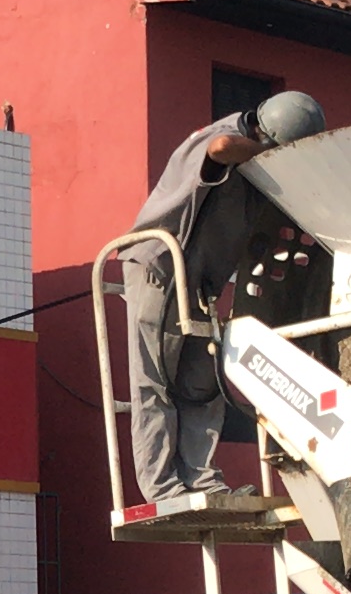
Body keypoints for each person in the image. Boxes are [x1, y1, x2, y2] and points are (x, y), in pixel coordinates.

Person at [123, 90, 327, 501]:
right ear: (266, 136)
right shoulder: (223, 138)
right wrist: (266, 155)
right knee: (157, 382)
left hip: (199, 284)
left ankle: (203, 482)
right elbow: (221, 149)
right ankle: (162, 487)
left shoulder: (250, 162)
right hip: (161, 269)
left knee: (203, 384)